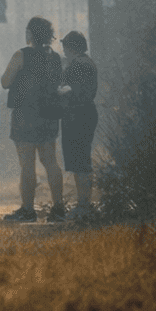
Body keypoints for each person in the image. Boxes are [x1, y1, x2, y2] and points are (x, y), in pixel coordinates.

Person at [0, 15, 65, 223]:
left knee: (27, 164)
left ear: (30, 33)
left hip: (25, 116)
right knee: (51, 162)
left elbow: (5, 81)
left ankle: (28, 210)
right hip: (49, 114)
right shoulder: (54, 57)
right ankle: (59, 208)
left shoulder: (21, 55)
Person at [57, 30, 98, 220]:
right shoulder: (85, 62)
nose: (64, 49)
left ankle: (83, 205)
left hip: (78, 115)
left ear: (71, 47)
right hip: (83, 113)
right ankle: (84, 203)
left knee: (80, 161)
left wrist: (61, 92)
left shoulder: (79, 64)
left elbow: (75, 89)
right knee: (81, 160)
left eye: (65, 45)